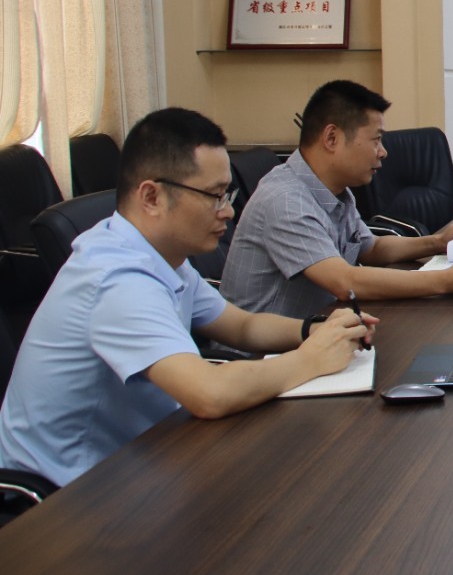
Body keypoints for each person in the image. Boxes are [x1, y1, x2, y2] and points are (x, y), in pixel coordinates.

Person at [0, 108, 374, 488]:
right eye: (214, 196)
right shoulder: (115, 278)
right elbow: (209, 394)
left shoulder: (160, 255)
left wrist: (314, 330)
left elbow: (242, 326)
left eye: (227, 194)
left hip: (141, 457)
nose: (228, 211)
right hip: (63, 497)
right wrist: (311, 358)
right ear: (152, 196)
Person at [221, 80, 453, 317]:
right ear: (332, 138)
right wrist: (446, 281)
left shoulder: (335, 190)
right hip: (265, 354)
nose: (383, 152)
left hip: (316, 332)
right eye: (375, 140)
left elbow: (372, 247)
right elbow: (345, 281)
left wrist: (438, 242)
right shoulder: (284, 200)